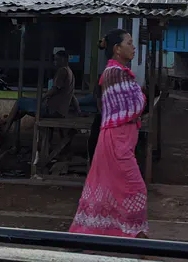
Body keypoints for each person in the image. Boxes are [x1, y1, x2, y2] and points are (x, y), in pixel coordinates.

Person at [69, 29, 148, 238]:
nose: (133, 47)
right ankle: (133, 233)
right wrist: (141, 96)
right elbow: (137, 104)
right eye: (129, 43)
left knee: (111, 188)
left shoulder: (118, 72)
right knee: (135, 187)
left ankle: (110, 233)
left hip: (119, 138)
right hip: (117, 139)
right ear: (117, 49)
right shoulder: (115, 74)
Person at [1, 50, 79, 133]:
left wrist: (42, 98)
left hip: (51, 110)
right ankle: (6, 121)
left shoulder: (62, 71)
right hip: (60, 112)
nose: (54, 62)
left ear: (63, 59)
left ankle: (5, 128)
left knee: (20, 101)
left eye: (57, 59)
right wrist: (78, 111)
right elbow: (73, 96)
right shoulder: (71, 73)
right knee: (23, 108)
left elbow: (54, 89)